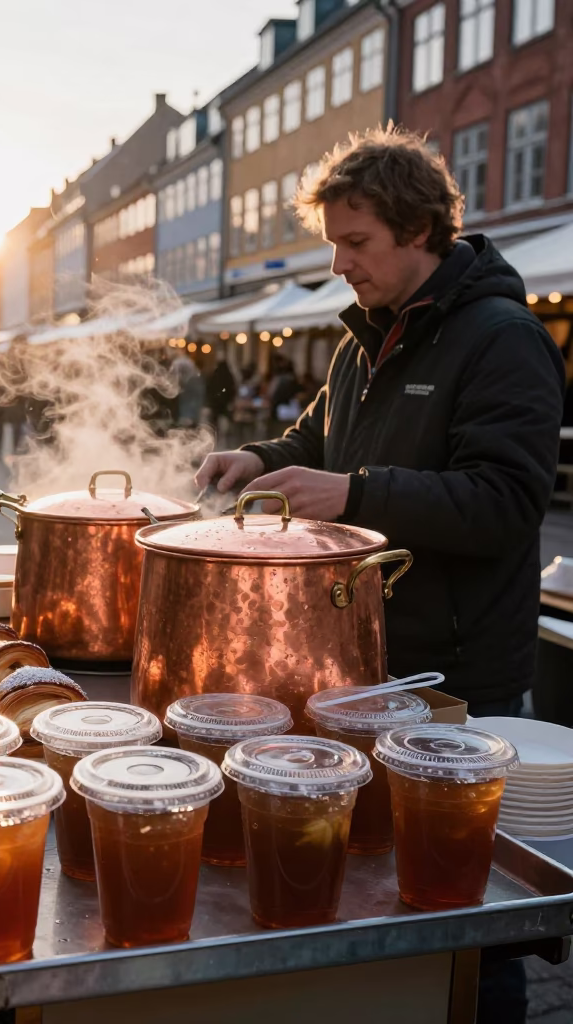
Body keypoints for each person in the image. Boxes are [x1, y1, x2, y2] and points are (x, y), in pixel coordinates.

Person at [194, 128, 563, 1024]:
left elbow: (503, 503)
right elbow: (318, 446)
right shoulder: (365, 340)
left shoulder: (502, 337)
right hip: (366, 654)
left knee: (465, 906)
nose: (339, 263)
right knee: (378, 877)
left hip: (458, 673)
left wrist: (355, 491)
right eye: (333, 242)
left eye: (355, 242)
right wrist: (254, 457)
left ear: (422, 230)